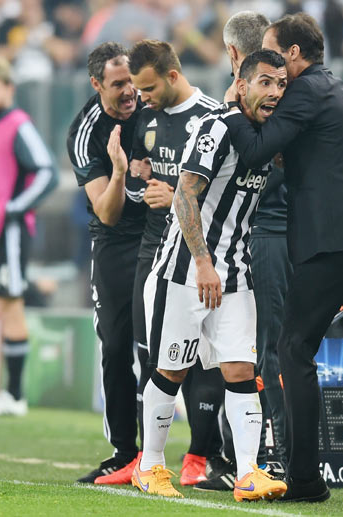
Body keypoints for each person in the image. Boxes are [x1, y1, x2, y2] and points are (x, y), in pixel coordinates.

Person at [223, 13, 343, 505]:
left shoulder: (305, 91)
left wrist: (231, 110)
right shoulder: (342, 90)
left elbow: (255, 151)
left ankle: (305, 477)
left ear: (292, 54)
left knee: (293, 349)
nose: (268, 63)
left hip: (333, 246)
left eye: (271, 51)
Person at [131, 49, 288, 501]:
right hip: (183, 271)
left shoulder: (270, 135)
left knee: (241, 370)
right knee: (171, 370)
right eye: (264, 82)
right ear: (241, 84)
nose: (274, 92)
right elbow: (184, 194)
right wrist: (202, 261)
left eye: (280, 83)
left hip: (236, 272)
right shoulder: (215, 127)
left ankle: (247, 472)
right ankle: (151, 465)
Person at [125, 38, 225, 487]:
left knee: (201, 360)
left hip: (197, 251)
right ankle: (150, 459)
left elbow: (225, 197)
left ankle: (199, 456)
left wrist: (172, 199)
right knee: (151, 355)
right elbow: (135, 188)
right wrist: (141, 182)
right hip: (153, 250)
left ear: (171, 75)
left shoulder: (209, 116)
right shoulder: (145, 118)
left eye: (147, 88)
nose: (140, 98)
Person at [67, 42, 148, 484]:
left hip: (162, 233)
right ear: (97, 84)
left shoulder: (155, 106)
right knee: (117, 347)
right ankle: (123, 453)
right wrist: (119, 171)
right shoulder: (85, 132)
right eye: (118, 84)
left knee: (176, 345)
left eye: (132, 80)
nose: (129, 91)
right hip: (116, 242)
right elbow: (107, 212)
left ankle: (207, 454)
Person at [224, 9, 291, 473]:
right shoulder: (289, 93)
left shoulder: (243, 103)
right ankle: (243, 454)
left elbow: (253, 164)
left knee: (261, 349)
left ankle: (272, 454)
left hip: (260, 233)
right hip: (275, 233)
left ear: (231, 52)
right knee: (247, 350)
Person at [0, 57, 58, 417]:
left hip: (6, 233)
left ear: (8, 89)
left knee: (9, 307)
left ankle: (14, 395)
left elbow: (47, 172)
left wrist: (13, 207)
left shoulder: (18, 124)